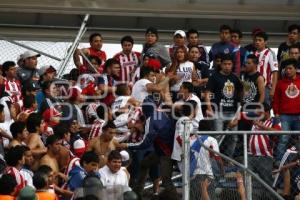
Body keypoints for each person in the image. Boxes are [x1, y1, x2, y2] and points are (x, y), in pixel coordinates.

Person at [204, 54, 243, 157]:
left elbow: (240, 96)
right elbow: (207, 93)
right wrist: (209, 108)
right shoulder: (214, 77)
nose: (227, 66)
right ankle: (216, 158)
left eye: (229, 64)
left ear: (232, 65)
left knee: (234, 137)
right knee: (217, 136)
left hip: (233, 112)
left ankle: (228, 159)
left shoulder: (235, 78)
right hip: (218, 111)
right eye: (225, 64)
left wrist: (238, 115)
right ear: (220, 64)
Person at [273, 58, 300, 163]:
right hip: (284, 116)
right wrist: (276, 113)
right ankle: (278, 163)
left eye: (290, 68)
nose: (288, 71)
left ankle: (297, 161)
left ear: (295, 69)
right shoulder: (280, 83)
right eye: (286, 69)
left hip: (299, 115)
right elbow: (276, 99)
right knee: (283, 139)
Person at [240, 54, 265, 130]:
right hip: (244, 108)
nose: (246, 65)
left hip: (254, 109)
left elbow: (262, 94)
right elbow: (245, 91)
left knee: (252, 132)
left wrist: (258, 108)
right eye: (246, 63)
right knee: (242, 131)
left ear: (255, 64)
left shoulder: (259, 77)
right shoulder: (245, 76)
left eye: (249, 63)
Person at [254, 31, 278, 106]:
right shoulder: (253, 53)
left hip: (266, 87)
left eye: (260, 40)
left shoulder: (270, 53)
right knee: (255, 109)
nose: (257, 42)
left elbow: (275, 72)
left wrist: (273, 89)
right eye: (256, 40)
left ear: (265, 42)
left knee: (265, 110)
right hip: (254, 87)